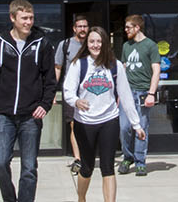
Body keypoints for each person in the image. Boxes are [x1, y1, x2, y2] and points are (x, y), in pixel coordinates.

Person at [0, 0, 58, 202]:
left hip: (31, 116)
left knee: (29, 168)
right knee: (0, 161)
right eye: (24, 18)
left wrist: (45, 104)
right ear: (13, 18)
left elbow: (50, 80)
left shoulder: (42, 43)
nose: (28, 22)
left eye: (31, 18)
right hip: (5, 115)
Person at [62, 27, 146, 202]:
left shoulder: (114, 65)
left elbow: (126, 96)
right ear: (87, 44)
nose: (95, 45)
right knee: (87, 167)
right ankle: (81, 197)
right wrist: (76, 101)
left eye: (99, 41)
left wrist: (136, 124)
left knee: (108, 167)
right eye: (92, 41)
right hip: (84, 122)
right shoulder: (80, 64)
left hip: (109, 120)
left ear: (105, 43)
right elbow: (68, 90)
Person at [116, 14, 160, 176]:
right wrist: (119, 93)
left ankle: (140, 161)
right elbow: (123, 69)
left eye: (128, 27)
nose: (126, 30)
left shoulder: (151, 46)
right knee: (124, 128)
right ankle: (128, 157)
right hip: (127, 93)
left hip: (143, 93)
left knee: (141, 128)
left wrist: (151, 93)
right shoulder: (126, 46)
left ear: (137, 27)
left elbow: (156, 71)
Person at [55, 13, 92, 175]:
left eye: (85, 26)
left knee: (90, 124)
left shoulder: (94, 44)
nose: (83, 29)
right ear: (74, 28)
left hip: (91, 91)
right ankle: (78, 158)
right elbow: (58, 68)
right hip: (71, 91)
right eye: (80, 26)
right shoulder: (65, 45)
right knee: (74, 124)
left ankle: (87, 156)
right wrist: (51, 92)